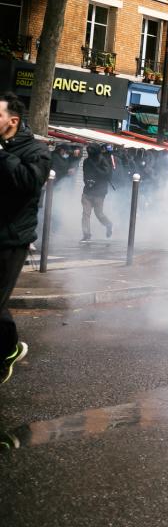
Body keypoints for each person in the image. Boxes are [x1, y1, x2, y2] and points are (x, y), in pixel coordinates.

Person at [0, 93, 50, 385]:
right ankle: (10, 347)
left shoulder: (37, 151)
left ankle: (9, 349)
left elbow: (28, 182)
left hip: (11, 239)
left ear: (13, 121)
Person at [80, 143, 115, 242]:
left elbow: (107, 175)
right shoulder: (86, 161)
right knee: (85, 214)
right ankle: (86, 234)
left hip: (99, 192)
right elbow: (85, 173)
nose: (90, 152)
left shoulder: (102, 160)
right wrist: (88, 182)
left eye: (92, 150)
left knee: (99, 213)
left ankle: (108, 225)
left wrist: (95, 168)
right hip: (88, 191)